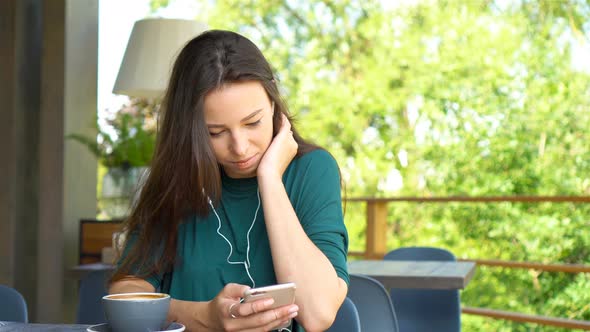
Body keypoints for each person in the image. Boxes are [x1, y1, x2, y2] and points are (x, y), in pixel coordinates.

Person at [109, 29, 349, 332]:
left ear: (273, 101)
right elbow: (123, 298)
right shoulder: (175, 181)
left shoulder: (312, 170)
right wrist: (204, 317)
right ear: (190, 128)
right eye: (215, 132)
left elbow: (318, 314)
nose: (240, 147)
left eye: (253, 123)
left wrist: (270, 178)